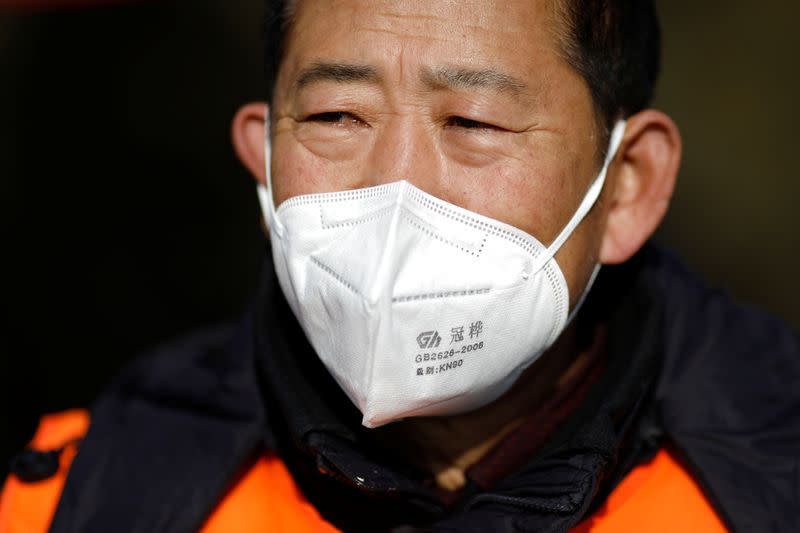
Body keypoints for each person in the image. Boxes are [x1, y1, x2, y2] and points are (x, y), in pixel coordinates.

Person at [1, 0, 798, 531]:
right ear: (264, 162)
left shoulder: (764, 482)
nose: (397, 186)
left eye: (474, 120)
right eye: (336, 115)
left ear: (628, 188)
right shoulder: (87, 492)